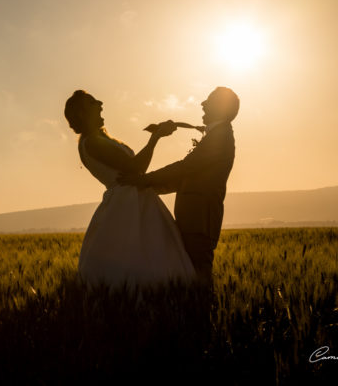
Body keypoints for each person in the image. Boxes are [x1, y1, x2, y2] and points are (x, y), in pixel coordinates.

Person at [64, 90, 195, 287]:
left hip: (129, 199)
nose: (100, 103)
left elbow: (133, 168)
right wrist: (156, 137)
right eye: (93, 102)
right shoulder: (91, 142)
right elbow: (136, 168)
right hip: (127, 202)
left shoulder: (97, 140)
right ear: (82, 113)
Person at [120, 87, 239, 290]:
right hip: (195, 219)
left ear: (221, 106)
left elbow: (185, 168)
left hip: (200, 221)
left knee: (198, 278)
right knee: (191, 278)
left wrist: (143, 181)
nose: (202, 104)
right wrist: (147, 187)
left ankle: (201, 317)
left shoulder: (221, 136)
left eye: (208, 100)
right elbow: (186, 178)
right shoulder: (217, 135)